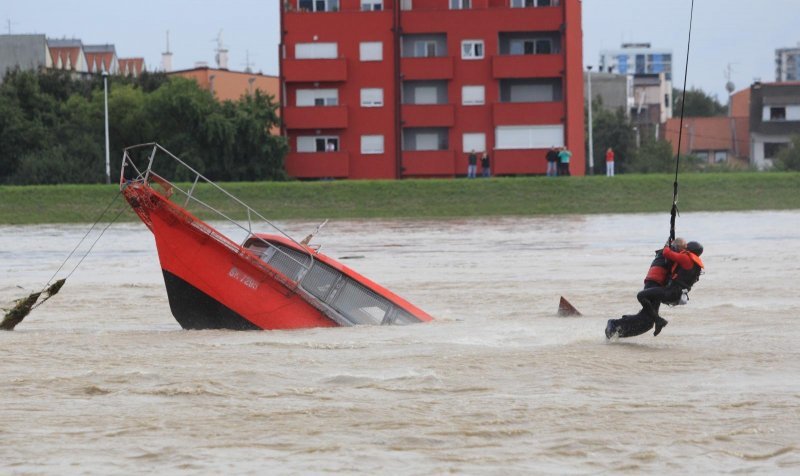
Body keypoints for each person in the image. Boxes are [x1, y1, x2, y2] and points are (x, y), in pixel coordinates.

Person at [606, 238, 703, 339]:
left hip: (670, 291)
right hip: (675, 293)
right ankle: (619, 330)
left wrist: (667, 245)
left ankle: (657, 320)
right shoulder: (695, 264)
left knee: (641, 296)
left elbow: (667, 253)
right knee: (647, 321)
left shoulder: (685, 258)